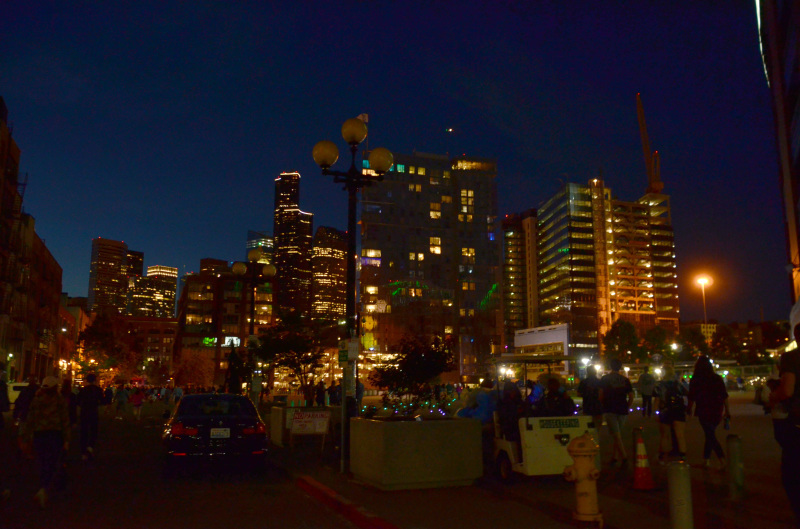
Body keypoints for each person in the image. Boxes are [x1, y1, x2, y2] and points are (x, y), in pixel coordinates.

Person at [767, 300, 800, 524]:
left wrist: (772, 396)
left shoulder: (792, 357)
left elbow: (787, 390)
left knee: (793, 477)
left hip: (798, 426)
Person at [19, 376, 70, 508]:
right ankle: (44, 486)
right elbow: (64, 420)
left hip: (39, 434)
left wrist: (26, 436)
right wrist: (67, 439)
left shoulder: (37, 399)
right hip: (55, 434)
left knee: (42, 460)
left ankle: (43, 486)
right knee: (52, 460)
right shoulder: (59, 400)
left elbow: (31, 418)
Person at [687, 355, 729, 469]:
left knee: (710, 435)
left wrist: (689, 408)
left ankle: (722, 460)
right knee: (709, 434)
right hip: (717, 409)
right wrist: (727, 411)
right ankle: (706, 460)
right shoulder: (717, 378)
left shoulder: (696, 379)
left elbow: (692, 396)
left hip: (703, 409)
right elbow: (724, 395)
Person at [599, 358, 634, 467]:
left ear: (610, 366)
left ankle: (624, 457)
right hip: (622, 409)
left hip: (610, 409)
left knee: (616, 435)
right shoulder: (625, 379)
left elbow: (600, 395)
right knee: (617, 434)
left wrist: (603, 404)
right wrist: (627, 405)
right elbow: (631, 396)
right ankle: (614, 457)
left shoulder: (604, 379)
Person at [653, 364, 688, 464]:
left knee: (665, 435)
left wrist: (656, 412)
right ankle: (683, 457)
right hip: (678, 410)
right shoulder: (678, 384)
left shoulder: (659, 385)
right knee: (680, 435)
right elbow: (686, 395)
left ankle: (662, 457)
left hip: (665, 410)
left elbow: (657, 400)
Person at [77, 373, 104, 461]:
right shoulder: (98, 390)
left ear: (87, 380)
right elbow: (102, 401)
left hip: (84, 412)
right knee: (93, 431)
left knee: (83, 431)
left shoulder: (83, 390)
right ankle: (90, 447)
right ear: (95, 380)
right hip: (93, 412)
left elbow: (78, 401)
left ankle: (83, 452)